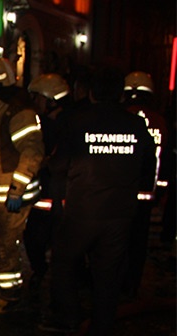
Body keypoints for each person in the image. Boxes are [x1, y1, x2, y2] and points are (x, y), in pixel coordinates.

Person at [40, 66, 156, 335]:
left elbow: (58, 165)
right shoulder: (136, 125)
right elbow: (149, 167)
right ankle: (102, 325)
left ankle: (69, 317)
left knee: (65, 262)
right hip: (119, 213)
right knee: (108, 274)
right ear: (120, 94)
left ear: (91, 92)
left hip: (82, 210)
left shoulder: (77, 121)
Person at [0, 57, 45, 314]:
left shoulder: (19, 111)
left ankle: (10, 294)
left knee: (3, 244)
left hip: (8, 195)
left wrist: (18, 189)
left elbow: (32, 152)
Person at [23, 73, 73, 292]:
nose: (34, 103)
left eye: (37, 98)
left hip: (54, 194)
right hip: (53, 193)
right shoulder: (66, 122)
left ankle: (53, 281)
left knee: (41, 238)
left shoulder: (59, 127)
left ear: (50, 99)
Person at [121, 71, 168, 300]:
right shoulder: (159, 121)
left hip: (122, 192)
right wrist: (161, 190)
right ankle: (132, 285)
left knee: (118, 241)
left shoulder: (122, 119)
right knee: (138, 242)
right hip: (147, 193)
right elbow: (165, 157)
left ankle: (117, 285)